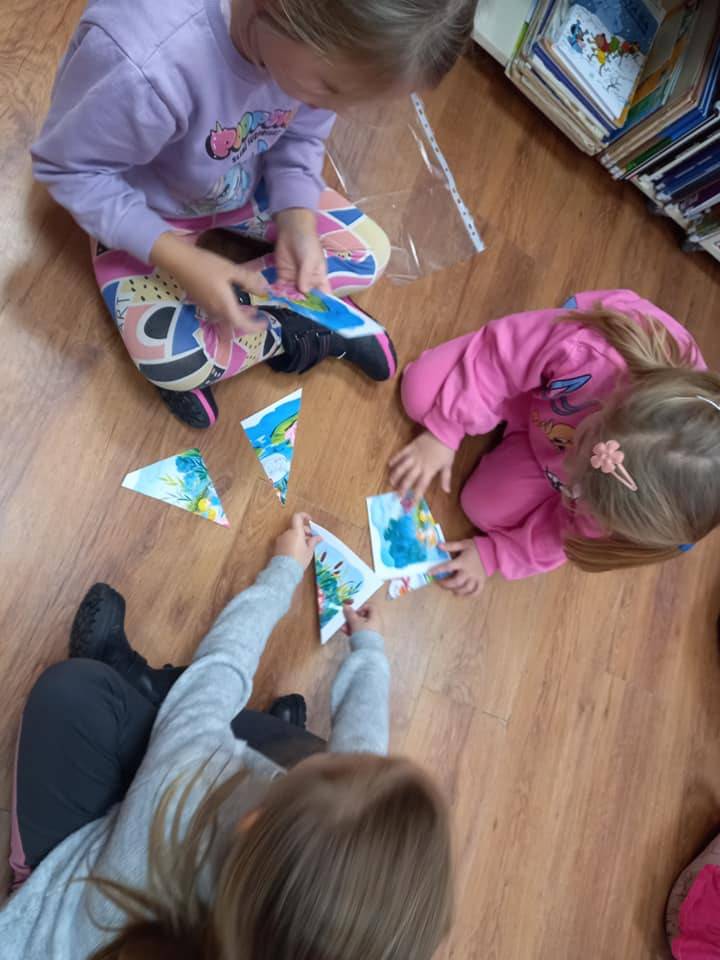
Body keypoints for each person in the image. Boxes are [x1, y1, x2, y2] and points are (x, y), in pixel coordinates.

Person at [1, 514, 453, 959]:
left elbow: (214, 677)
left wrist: (283, 571)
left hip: (60, 912)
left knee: (74, 696)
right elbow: (359, 794)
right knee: (302, 758)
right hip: (153, 853)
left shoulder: (183, 797)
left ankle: (31, 871)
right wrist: (368, 656)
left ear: (251, 821)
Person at [30, 0, 475, 428]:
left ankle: (269, 320)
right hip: (146, 210)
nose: (335, 109)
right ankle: (291, 322)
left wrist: (297, 218)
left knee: (372, 251)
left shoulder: (304, 49)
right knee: (174, 361)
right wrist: (180, 260)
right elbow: (70, 171)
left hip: (243, 182)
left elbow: (301, 135)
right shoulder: (145, 65)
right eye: (331, 88)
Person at [389, 288, 720, 594]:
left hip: (551, 428)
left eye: (581, 496)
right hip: (542, 373)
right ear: (615, 402)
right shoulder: (589, 350)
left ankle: (520, 432)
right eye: (582, 445)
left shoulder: (634, 515)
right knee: (419, 393)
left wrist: (495, 554)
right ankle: (505, 413)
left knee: (481, 508)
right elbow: (500, 355)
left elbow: (565, 535)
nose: (570, 467)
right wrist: (445, 430)